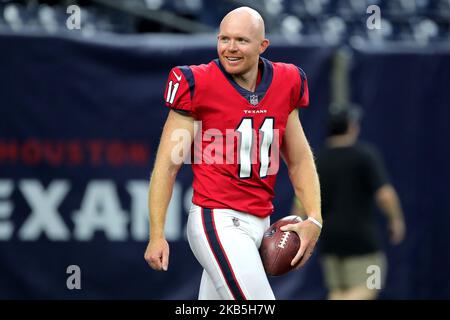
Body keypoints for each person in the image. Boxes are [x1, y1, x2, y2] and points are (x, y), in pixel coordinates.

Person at [144, 6, 322, 300]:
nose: (230, 48)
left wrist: (314, 218)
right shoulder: (197, 82)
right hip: (218, 219)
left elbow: (299, 159)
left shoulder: (286, 81)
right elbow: (167, 165)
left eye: (241, 40)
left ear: (263, 45)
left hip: (261, 221)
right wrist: (156, 233)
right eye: (224, 39)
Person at [292, 104, 406, 300]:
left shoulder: (316, 161)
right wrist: (396, 220)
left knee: (338, 292)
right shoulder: (365, 156)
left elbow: (300, 203)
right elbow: (385, 195)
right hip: (363, 242)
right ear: (352, 126)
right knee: (372, 286)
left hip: (329, 241)